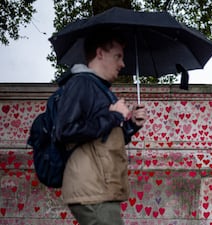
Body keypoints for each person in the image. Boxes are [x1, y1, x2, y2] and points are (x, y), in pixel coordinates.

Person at [55, 31, 147, 225]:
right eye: (118, 56)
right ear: (99, 54)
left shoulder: (100, 89)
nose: (122, 64)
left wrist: (130, 125)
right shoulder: (81, 83)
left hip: (100, 189)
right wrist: (113, 116)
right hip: (91, 190)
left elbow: (104, 140)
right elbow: (65, 130)